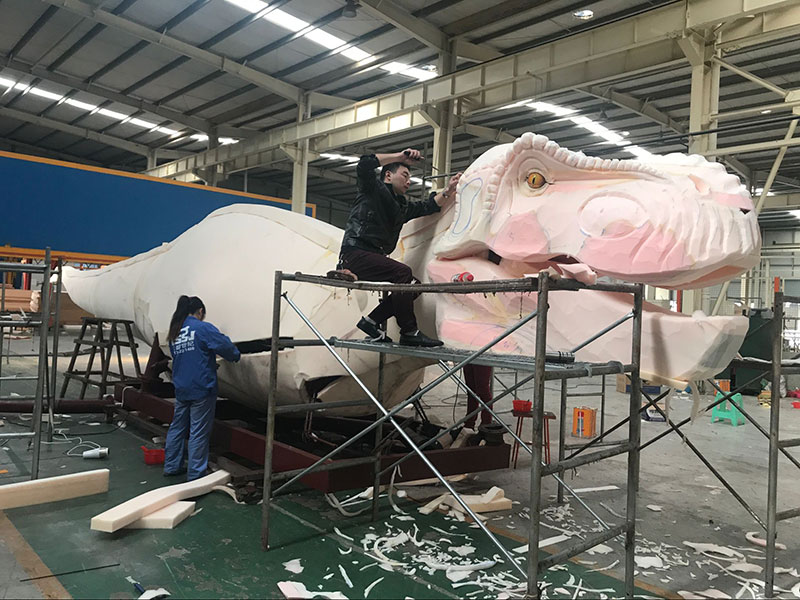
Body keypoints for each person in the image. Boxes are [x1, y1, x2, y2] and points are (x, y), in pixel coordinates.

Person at [338, 148, 461, 347]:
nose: (409, 181)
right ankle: (409, 332)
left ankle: (371, 321)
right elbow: (365, 164)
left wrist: (449, 190)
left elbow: (427, 207)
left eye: (410, 177)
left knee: (413, 285)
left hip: (373, 256)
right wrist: (400, 157)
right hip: (355, 254)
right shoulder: (372, 189)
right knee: (403, 273)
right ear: (388, 175)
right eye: (405, 175)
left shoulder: (400, 206)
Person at [164, 295, 240, 480]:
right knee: (198, 432)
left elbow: (185, 357)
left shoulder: (175, 332)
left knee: (177, 428)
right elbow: (225, 347)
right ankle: (196, 475)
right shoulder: (202, 328)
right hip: (201, 388)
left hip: (182, 387)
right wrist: (235, 355)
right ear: (200, 311)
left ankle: (172, 465)